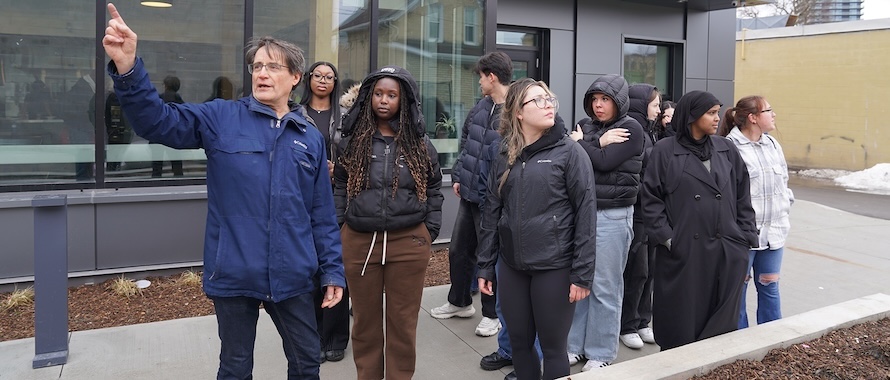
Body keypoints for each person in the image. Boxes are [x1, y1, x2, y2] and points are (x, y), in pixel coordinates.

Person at [102, 4, 345, 379]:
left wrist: (332, 271)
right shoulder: (221, 118)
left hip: (294, 273)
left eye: (273, 66)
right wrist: (128, 69)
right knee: (234, 366)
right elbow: (157, 122)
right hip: (234, 270)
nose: (262, 73)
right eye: (257, 66)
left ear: (296, 76)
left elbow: (322, 214)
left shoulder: (309, 137)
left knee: (306, 361)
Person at [477, 78, 596, 380]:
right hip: (512, 266)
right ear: (518, 111)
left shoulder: (570, 153)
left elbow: (586, 215)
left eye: (549, 99)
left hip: (554, 267)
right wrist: (486, 266)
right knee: (518, 342)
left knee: (554, 348)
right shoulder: (504, 154)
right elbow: (492, 212)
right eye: (537, 100)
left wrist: (582, 274)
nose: (547, 105)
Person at [333, 65, 444, 380]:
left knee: (402, 323)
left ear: (403, 99)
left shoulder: (419, 143)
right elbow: (340, 185)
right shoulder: (351, 140)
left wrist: (428, 231)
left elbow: (434, 187)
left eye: (391, 95)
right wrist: (342, 226)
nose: (384, 100)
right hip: (359, 242)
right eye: (378, 94)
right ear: (368, 97)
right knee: (365, 323)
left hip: (408, 243)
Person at [641, 90, 758, 350]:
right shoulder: (664, 151)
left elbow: (743, 195)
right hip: (685, 255)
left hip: (726, 251)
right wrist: (670, 240)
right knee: (681, 327)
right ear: (692, 116)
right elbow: (650, 200)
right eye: (711, 113)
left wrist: (744, 239)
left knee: (720, 332)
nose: (718, 119)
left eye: (718, 112)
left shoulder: (725, 148)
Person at [430, 52, 511, 340]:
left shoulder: (516, 109)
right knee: (458, 251)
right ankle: (460, 302)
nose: (478, 82)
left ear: (492, 77)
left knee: (489, 257)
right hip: (469, 193)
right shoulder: (481, 107)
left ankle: (492, 315)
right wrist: (459, 176)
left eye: (480, 76)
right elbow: (466, 143)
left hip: (493, 198)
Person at [566, 74, 644, 371]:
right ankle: (574, 346)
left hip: (613, 214)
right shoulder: (586, 127)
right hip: (583, 212)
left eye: (605, 100)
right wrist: (596, 142)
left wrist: (583, 145)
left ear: (619, 102)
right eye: (595, 100)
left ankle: (600, 352)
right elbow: (572, 159)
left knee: (605, 286)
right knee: (580, 282)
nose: (598, 106)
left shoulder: (631, 128)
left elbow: (603, 163)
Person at [719, 96, 793, 329]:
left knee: (770, 287)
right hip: (743, 236)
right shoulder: (729, 147)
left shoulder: (772, 144)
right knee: (737, 291)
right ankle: (739, 343)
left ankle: (772, 340)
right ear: (752, 118)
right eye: (768, 111)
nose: (774, 115)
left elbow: (784, 182)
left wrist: (786, 203)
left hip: (774, 233)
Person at [299, 61, 349, 363]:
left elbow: (356, 154)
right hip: (303, 198)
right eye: (318, 75)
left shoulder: (346, 116)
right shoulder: (295, 112)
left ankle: (336, 337)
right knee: (309, 269)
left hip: (338, 197)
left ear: (335, 82)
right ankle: (313, 337)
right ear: (308, 79)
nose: (323, 81)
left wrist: (336, 169)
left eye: (329, 77)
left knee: (335, 266)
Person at [618, 83, 660, 349]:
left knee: (650, 271)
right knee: (636, 271)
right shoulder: (633, 133)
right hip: (637, 212)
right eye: (655, 104)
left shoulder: (650, 132)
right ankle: (628, 324)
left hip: (652, 213)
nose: (658, 109)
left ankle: (644, 320)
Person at [153, 75, 184, 177]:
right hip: (174, 135)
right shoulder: (178, 99)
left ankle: (155, 184)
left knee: (157, 165)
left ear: (166, 86)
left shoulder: (159, 98)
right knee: (176, 164)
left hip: (158, 136)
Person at [105, 91, 133, 171]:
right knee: (118, 152)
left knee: (114, 153)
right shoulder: (127, 96)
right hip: (123, 130)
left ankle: (113, 170)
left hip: (114, 129)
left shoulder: (112, 97)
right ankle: (116, 169)